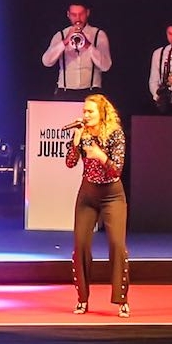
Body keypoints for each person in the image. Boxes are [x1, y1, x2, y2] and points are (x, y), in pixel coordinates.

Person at [64, 93, 129, 316]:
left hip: (112, 195)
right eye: (84, 111)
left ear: (102, 113)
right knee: (80, 245)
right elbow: (70, 163)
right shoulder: (82, 135)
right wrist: (75, 140)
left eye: (90, 111)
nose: (85, 115)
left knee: (117, 245)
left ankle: (121, 299)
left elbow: (117, 170)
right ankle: (82, 298)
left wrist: (100, 155)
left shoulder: (115, 134)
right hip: (88, 194)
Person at [42, 4, 112, 93]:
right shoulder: (60, 35)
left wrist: (88, 45)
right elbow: (46, 62)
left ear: (87, 13)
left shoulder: (99, 35)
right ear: (68, 15)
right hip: (65, 92)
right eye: (74, 15)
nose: (78, 19)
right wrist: (65, 41)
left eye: (81, 14)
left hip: (91, 91)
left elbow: (106, 66)